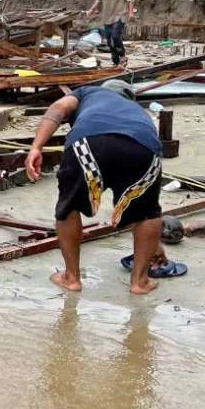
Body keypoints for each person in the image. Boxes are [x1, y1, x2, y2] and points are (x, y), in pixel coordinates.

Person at [25, 80, 166, 295]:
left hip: (87, 143)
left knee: (69, 206)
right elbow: (145, 214)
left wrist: (36, 147)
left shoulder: (87, 92)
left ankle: (71, 278)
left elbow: (58, 108)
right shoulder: (138, 111)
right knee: (147, 213)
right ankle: (139, 282)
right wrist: (154, 246)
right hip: (143, 146)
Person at [85, 0, 133, 67]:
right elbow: (98, 0)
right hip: (107, 16)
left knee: (116, 37)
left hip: (120, 15)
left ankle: (122, 55)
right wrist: (91, 10)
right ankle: (116, 61)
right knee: (109, 41)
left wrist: (130, 12)